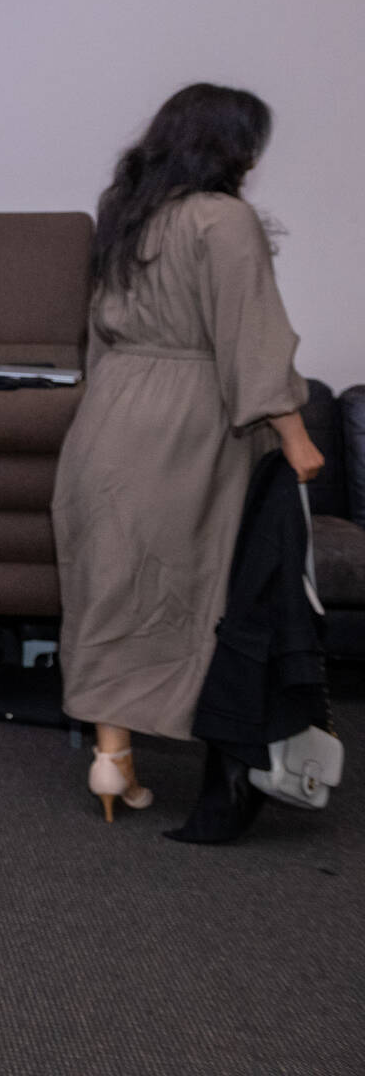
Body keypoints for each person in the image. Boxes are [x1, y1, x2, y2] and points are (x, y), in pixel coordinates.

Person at [53, 82, 321, 821]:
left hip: (108, 416)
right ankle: (202, 750)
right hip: (189, 422)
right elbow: (250, 338)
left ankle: (113, 758)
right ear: (227, 145)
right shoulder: (223, 219)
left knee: (111, 584)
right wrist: (296, 437)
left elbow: (96, 335)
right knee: (186, 591)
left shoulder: (128, 216)